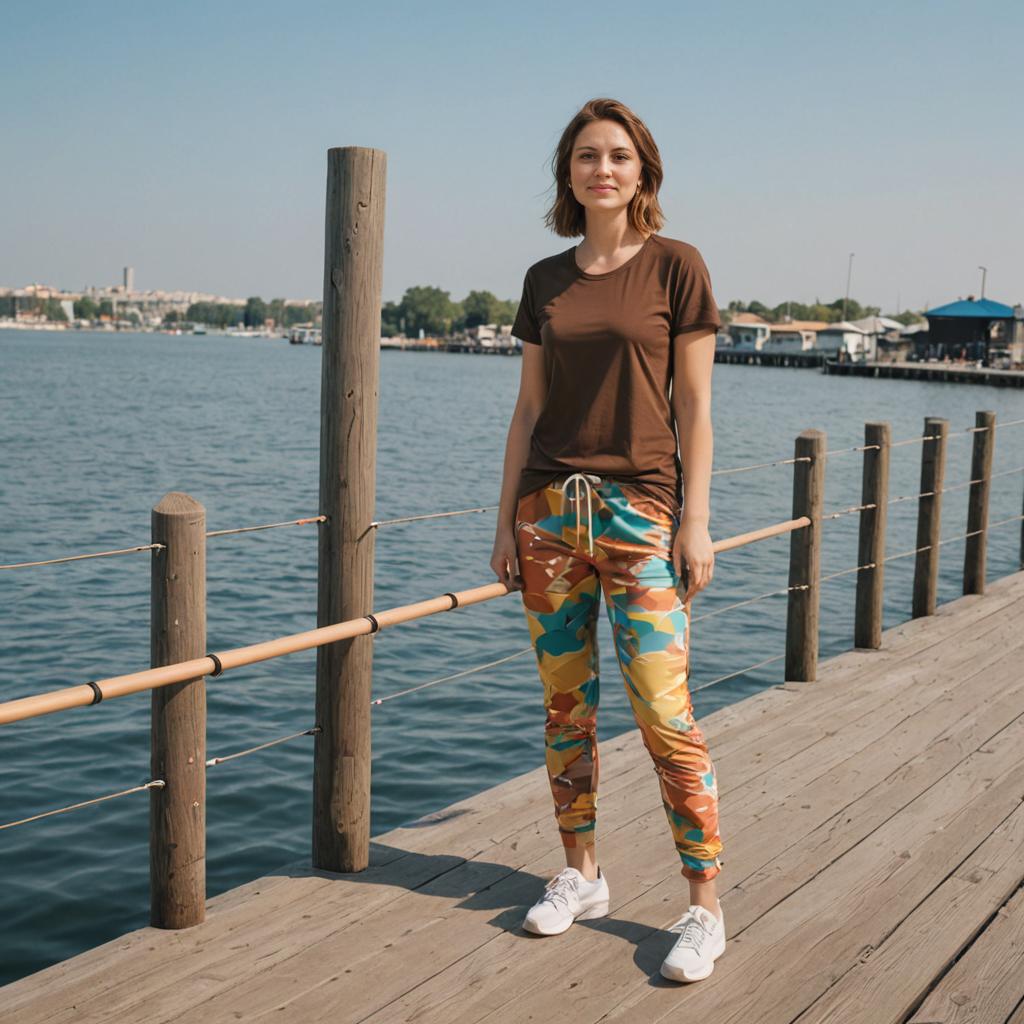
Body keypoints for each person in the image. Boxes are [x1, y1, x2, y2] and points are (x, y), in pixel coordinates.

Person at [489, 97, 726, 983]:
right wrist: (505, 520)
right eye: (587, 156)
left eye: (619, 156)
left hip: (641, 515)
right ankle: (581, 873)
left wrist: (694, 521)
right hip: (549, 515)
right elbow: (528, 409)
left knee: (666, 715)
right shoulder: (545, 278)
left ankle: (704, 907)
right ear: (569, 174)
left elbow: (697, 405)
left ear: (643, 172)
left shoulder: (677, 267)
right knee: (566, 709)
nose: (603, 170)